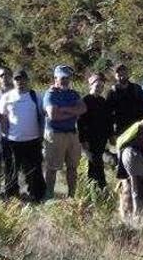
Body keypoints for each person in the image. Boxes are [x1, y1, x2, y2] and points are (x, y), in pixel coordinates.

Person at [0, 69, 46, 202]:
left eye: (22, 79)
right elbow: (3, 119)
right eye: (17, 79)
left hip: (33, 140)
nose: (20, 82)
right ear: (13, 81)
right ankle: (12, 196)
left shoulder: (36, 96)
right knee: (12, 170)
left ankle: (37, 195)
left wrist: (42, 135)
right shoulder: (6, 97)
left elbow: (42, 117)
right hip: (14, 141)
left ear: (27, 80)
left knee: (35, 170)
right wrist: (5, 136)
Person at [43, 65, 87, 199]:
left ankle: (72, 196)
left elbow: (83, 109)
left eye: (67, 77)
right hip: (55, 134)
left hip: (72, 134)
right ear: (55, 78)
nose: (65, 80)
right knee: (52, 168)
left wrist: (63, 110)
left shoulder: (74, 94)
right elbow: (53, 115)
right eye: (62, 77)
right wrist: (73, 112)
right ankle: (49, 195)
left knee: (72, 167)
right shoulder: (50, 94)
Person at [78, 72, 113, 190]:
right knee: (93, 164)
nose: (99, 89)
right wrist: (83, 140)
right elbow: (80, 123)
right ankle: (96, 189)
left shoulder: (103, 101)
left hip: (101, 139)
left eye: (102, 87)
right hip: (89, 140)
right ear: (91, 86)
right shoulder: (85, 101)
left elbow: (108, 121)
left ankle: (98, 190)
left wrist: (110, 136)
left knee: (98, 163)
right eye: (97, 86)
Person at [0, 67, 15, 195]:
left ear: (11, 76)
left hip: (18, 133)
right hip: (1, 134)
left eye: (6, 74)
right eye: (1, 75)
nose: (4, 77)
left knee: (13, 163)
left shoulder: (18, 92)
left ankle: (11, 190)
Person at [107, 63, 143, 138]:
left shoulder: (136, 89)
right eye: (119, 75)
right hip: (120, 130)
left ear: (128, 74)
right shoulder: (112, 92)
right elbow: (108, 114)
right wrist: (111, 133)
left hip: (136, 128)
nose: (122, 77)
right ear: (115, 76)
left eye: (124, 74)